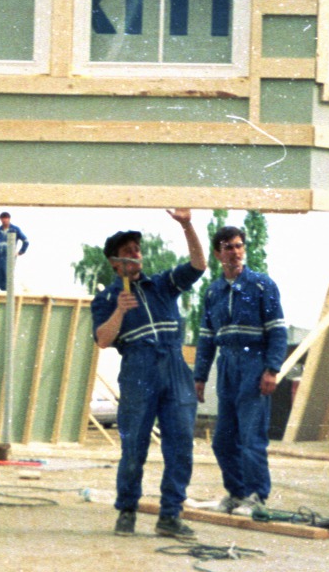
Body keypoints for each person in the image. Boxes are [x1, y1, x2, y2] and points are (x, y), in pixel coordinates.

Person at [92, 209, 206, 538]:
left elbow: (199, 264)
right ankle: (127, 512)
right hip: (138, 368)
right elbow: (102, 339)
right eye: (127, 252)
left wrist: (186, 224)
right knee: (134, 446)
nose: (135, 256)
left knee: (181, 444)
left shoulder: (163, 286)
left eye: (137, 250)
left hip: (174, 364)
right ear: (115, 264)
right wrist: (119, 311)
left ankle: (170, 516)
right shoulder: (107, 298)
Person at [192, 225, 288, 516]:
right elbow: (207, 338)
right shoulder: (213, 292)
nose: (234, 252)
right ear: (217, 253)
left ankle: (257, 496)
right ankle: (236, 493)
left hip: (254, 363)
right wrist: (199, 376)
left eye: (238, 246)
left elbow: (277, 331)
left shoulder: (262, 285)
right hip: (227, 365)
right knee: (223, 440)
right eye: (228, 247)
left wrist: (272, 369)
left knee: (251, 437)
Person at [0, 211, 29, 292]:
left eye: (6, 219)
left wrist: (20, 252)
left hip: (10, 255)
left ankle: (9, 292)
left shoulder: (15, 229)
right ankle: (2, 292)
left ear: (9, 219)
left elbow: (26, 241)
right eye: (3, 219)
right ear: (0, 219)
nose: (4, 221)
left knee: (8, 275)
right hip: (0, 255)